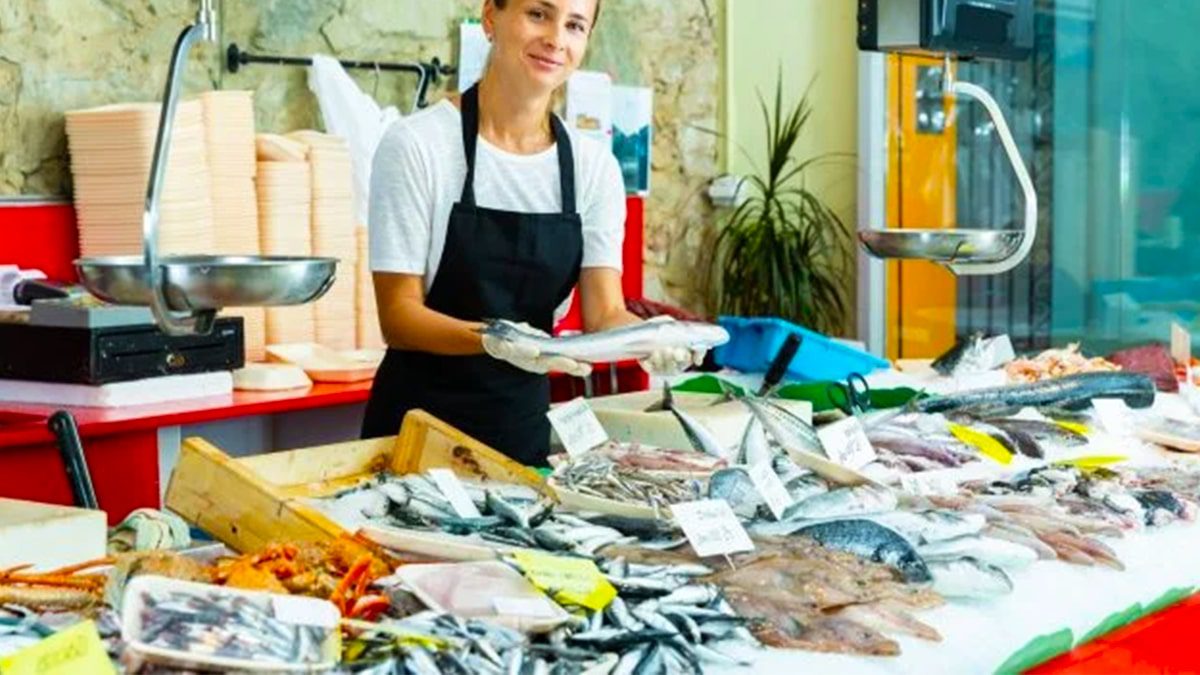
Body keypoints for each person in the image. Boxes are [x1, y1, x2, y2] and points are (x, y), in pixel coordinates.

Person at [361, 0, 706, 465]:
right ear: (491, 16)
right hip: (413, 436)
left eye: (575, 25)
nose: (556, 39)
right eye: (538, 14)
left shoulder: (592, 168)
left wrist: (650, 337)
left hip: (520, 437)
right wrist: (492, 339)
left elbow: (605, 313)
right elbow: (398, 316)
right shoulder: (417, 145)